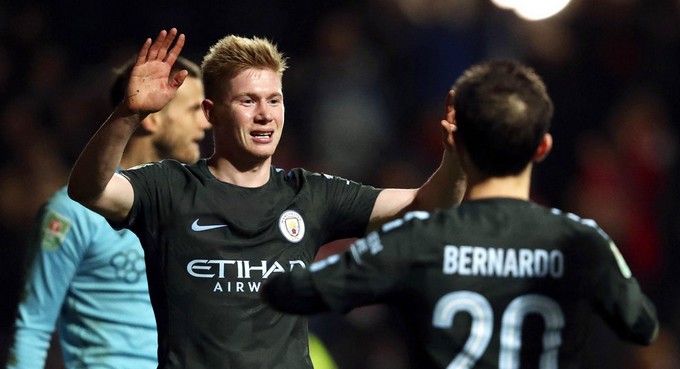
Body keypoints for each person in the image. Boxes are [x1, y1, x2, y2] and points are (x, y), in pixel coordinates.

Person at [66, 28, 465, 369]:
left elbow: (427, 205)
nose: (265, 114)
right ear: (211, 112)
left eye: (274, 100)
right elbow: (88, 189)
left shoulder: (311, 194)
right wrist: (127, 115)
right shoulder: (169, 188)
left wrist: (457, 161)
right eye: (247, 101)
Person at [261, 59, 660, 368]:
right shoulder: (584, 242)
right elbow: (642, 326)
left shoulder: (416, 239)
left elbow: (293, 292)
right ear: (542, 147)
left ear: (456, 142)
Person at [6, 56, 210, 369]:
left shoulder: (194, 207)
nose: (206, 122)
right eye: (194, 109)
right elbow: (33, 326)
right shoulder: (71, 212)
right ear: (152, 117)